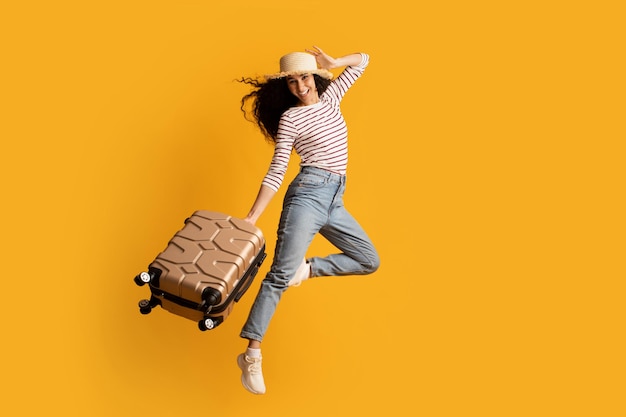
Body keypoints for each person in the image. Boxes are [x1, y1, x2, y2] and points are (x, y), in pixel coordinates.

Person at [236, 46, 380, 395]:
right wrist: (252, 216)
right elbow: (278, 169)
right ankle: (251, 354)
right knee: (278, 277)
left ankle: (309, 269)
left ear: (315, 78)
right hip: (308, 195)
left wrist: (335, 63)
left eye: (304, 78)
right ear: (285, 88)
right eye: (292, 83)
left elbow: (365, 60)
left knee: (368, 260)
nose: (300, 87)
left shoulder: (331, 98)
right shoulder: (291, 119)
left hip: (335, 199)